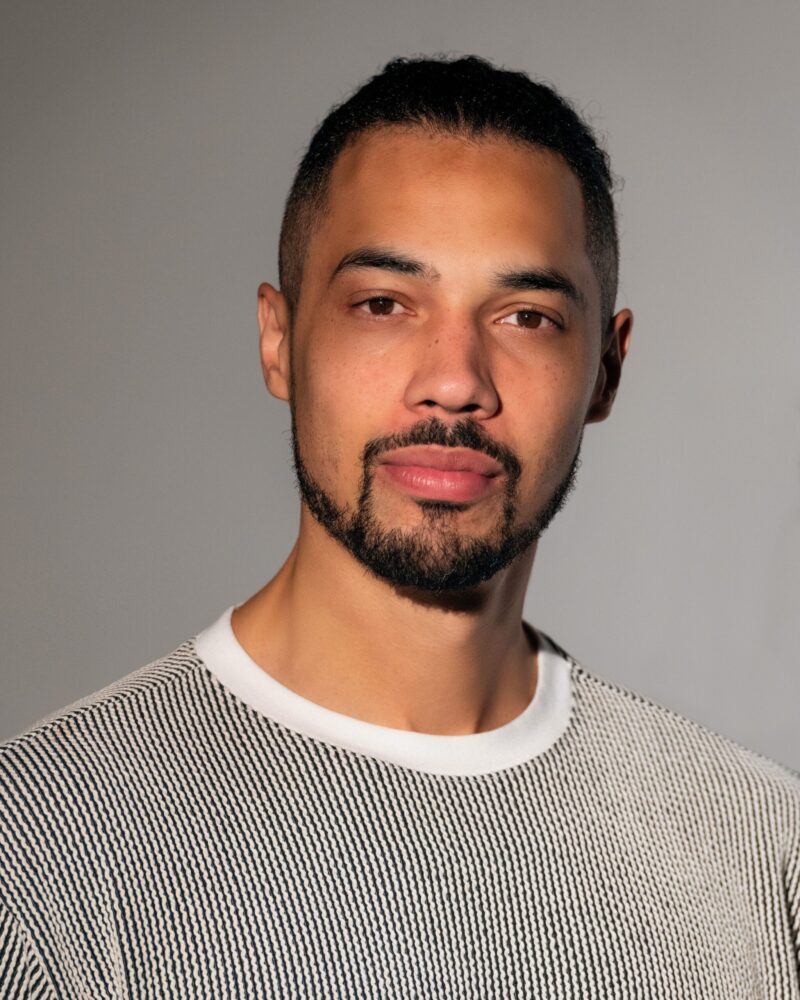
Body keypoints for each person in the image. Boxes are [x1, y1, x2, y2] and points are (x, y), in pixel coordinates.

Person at [1, 54, 798, 998]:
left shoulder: (757, 849)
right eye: (383, 305)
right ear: (278, 340)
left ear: (608, 371)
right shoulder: (42, 858)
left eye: (526, 317)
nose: (455, 379)